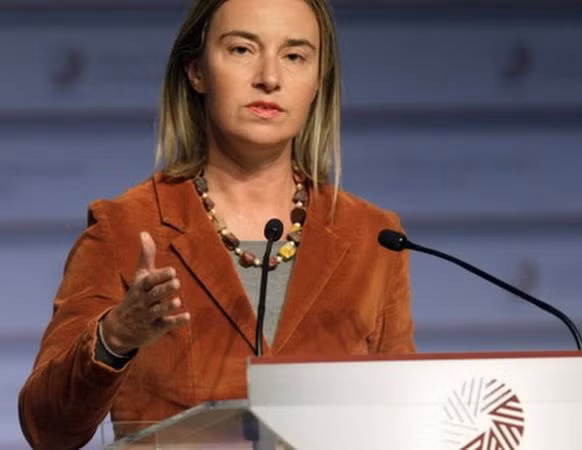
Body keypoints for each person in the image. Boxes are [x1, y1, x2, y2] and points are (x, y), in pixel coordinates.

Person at [18, 0, 415, 447]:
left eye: (294, 55)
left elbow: (405, 421)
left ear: (317, 82)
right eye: (242, 49)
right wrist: (115, 336)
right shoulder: (125, 228)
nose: (270, 77)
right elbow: (46, 428)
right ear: (197, 71)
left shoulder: (374, 238)